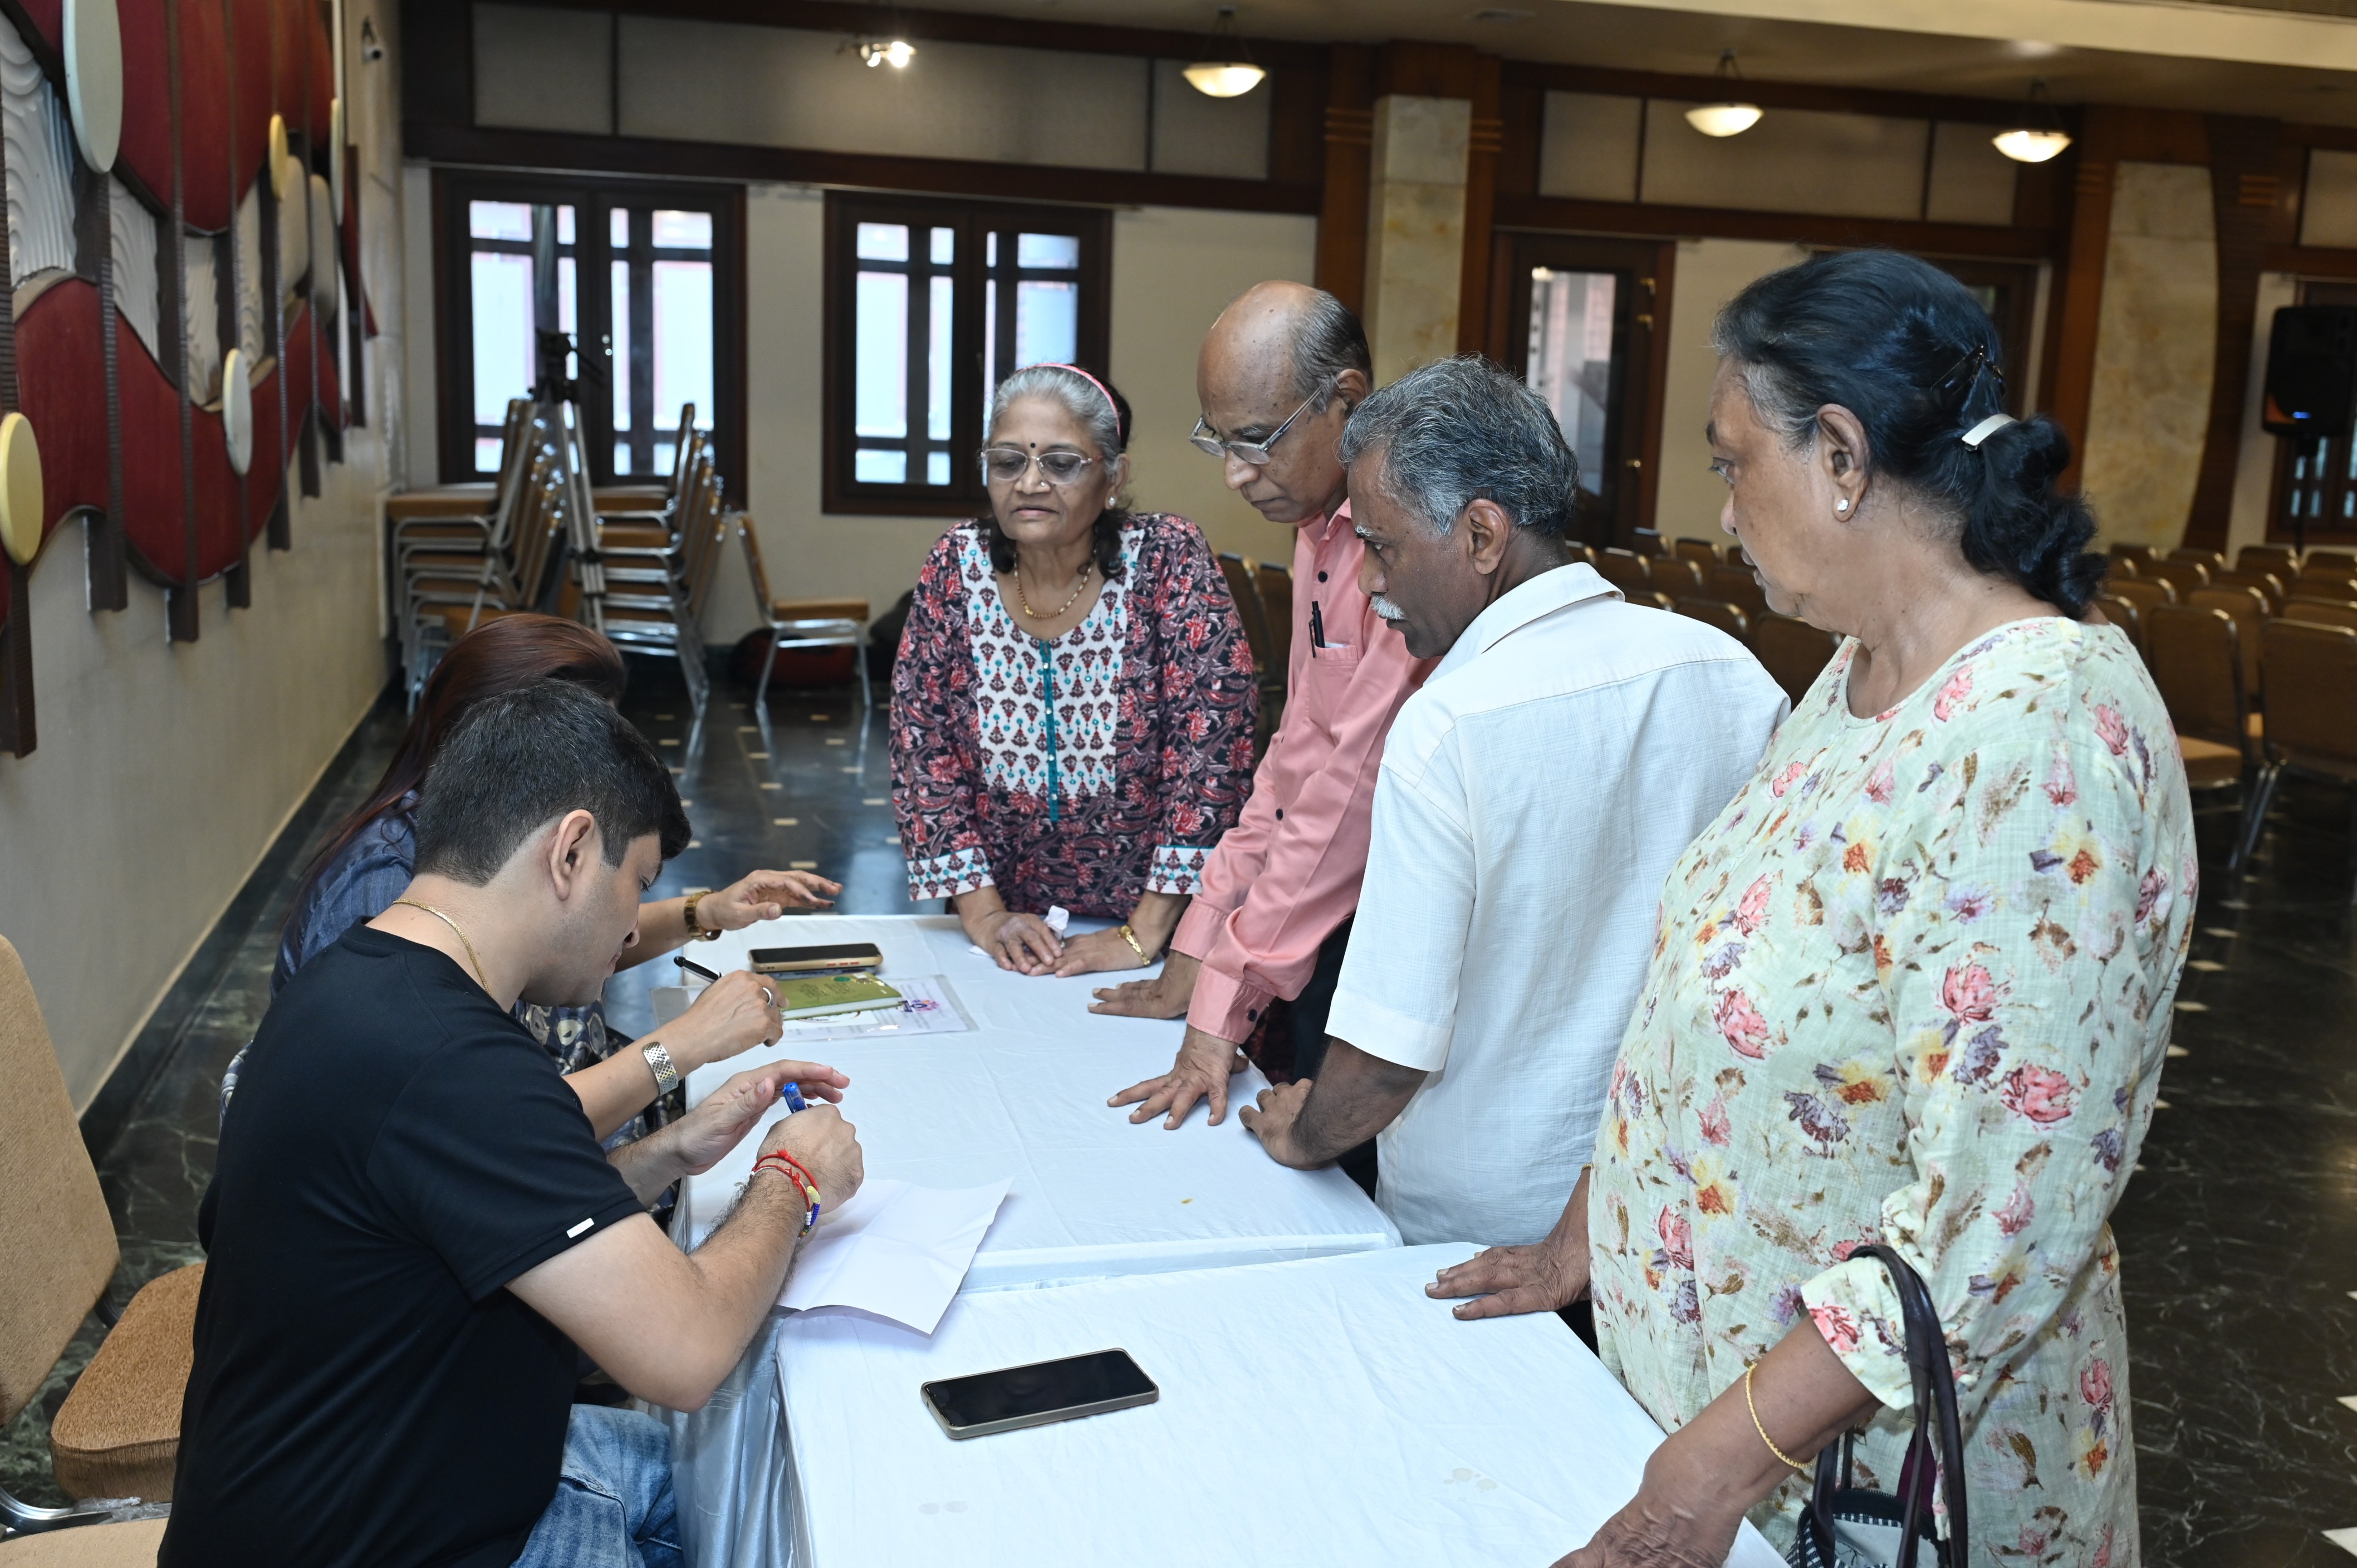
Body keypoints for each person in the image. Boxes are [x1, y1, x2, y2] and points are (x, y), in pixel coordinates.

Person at [1430, 251, 2194, 1565]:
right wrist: (1588, 1233)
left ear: (1838, 454)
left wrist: (1715, 1465)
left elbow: (1996, 1219)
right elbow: (1715, 1000)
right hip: (1718, 1424)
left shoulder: (2038, 734)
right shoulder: (1852, 676)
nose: (1718, 506)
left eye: (1732, 461)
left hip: (1870, 1480)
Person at [163, 679, 866, 1568]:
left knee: (763, 1479)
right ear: (572, 850)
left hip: (415, 1474)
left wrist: (664, 1153)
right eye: (637, 883)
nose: (628, 930)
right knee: (804, 1503)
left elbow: (467, 1225)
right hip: (399, 1538)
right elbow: (685, 1355)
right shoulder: (456, 1066)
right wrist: (791, 1180)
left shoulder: (365, 983)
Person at [1235, 355, 1787, 1251]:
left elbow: (1384, 1059)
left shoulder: (1450, 724)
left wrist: (1301, 1132)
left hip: (1483, 1221)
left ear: (1484, 536)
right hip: (1669, 1204)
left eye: (1382, 545)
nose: (1370, 584)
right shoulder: (1729, 674)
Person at [240, 614, 838, 1143]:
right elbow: (492, 1131)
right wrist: (679, 1049)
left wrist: (701, 914)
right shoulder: (384, 896)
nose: (602, 765)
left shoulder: (474, 842)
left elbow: (570, 946)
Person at [1102, 283, 1434, 1148]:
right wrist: (1198, 948)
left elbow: (1348, 789)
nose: (1235, 473)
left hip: (1387, 923)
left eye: (1256, 440)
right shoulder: (1318, 524)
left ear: (1348, 403)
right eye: (1218, 439)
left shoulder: (1398, 544)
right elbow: (1294, 759)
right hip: (1318, 907)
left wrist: (1222, 1000)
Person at [890, 364, 1257, 976]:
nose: (1030, 482)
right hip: (1009, 932)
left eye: (1061, 463)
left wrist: (1143, 935)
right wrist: (984, 916)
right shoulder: (955, 565)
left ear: (1113, 475)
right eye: (1008, 462)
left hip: (1171, 934)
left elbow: (1213, 753)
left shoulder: (1169, 561)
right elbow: (920, 746)